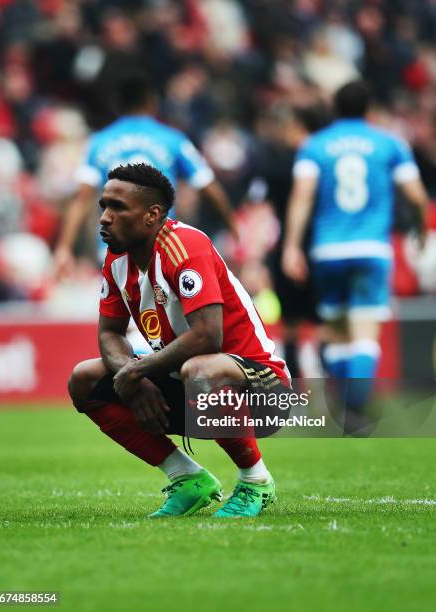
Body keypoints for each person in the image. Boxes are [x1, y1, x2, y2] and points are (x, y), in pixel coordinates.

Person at [68, 163, 289, 518]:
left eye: (118, 208)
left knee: (199, 369)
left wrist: (139, 372)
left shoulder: (185, 245)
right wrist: (131, 376)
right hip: (189, 383)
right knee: (84, 379)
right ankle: (187, 478)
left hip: (263, 388)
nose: (105, 218)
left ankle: (256, 481)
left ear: (152, 215)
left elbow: (208, 335)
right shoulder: (116, 259)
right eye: (103, 207)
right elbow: (109, 333)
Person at [281, 80, 429, 420]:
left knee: (335, 331)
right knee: (365, 332)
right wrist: (420, 229)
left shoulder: (316, 145)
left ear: (335, 108)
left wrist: (292, 246)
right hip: (372, 249)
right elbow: (418, 197)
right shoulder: (390, 144)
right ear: (369, 109)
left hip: (328, 251)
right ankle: (355, 409)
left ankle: (341, 402)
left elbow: (302, 195)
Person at [54, 73, 236, 277]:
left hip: (113, 249)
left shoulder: (98, 142)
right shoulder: (173, 140)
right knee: (159, 307)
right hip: (159, 246)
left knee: (122, 307)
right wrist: (235, 231)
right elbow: (209, 187)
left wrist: (64, 248)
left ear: (118, 105)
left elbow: (81, 199)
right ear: (152, 102)